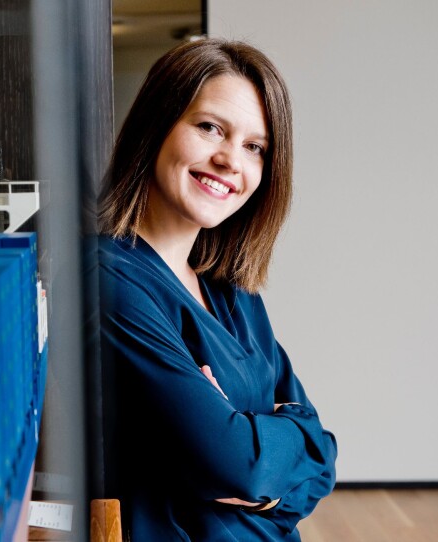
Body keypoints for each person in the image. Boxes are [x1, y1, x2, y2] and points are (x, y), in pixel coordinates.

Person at [97, 38, 337, 541]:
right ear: (157, 125)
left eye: (255, 147)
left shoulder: (230, 288)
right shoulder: (110, 281)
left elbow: (323, 455)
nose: (231, 160)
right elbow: (237, 465)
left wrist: (266, 479)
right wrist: (271, 446)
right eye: (210, 127)